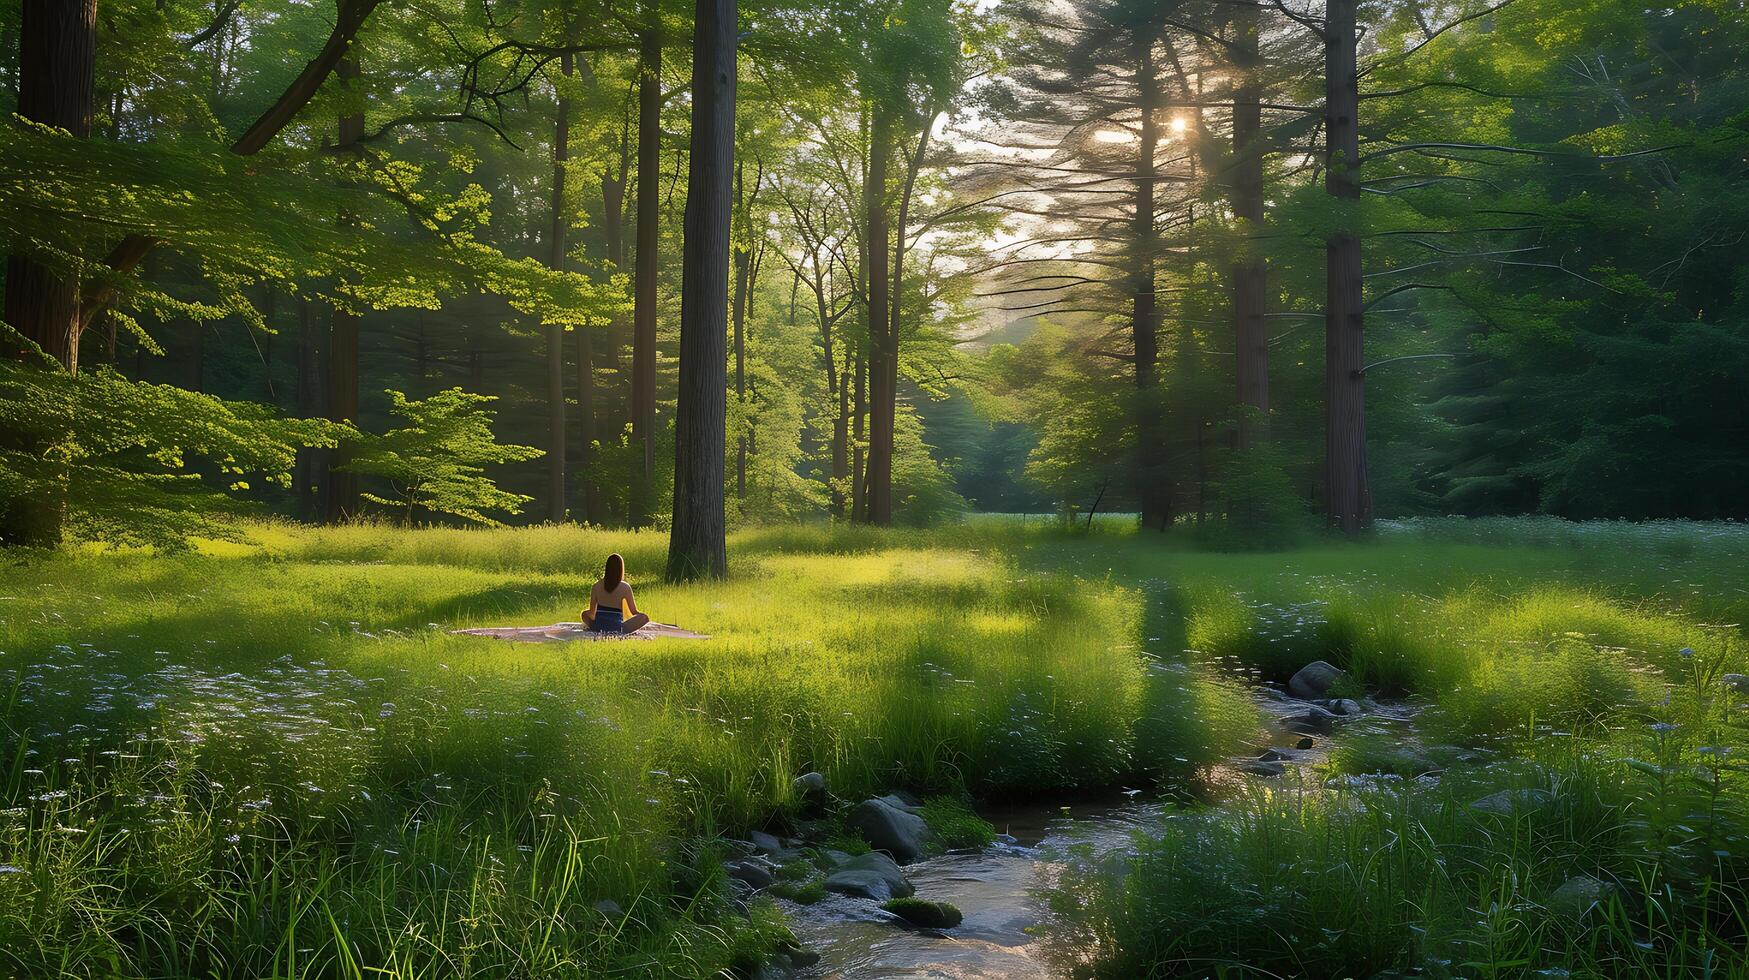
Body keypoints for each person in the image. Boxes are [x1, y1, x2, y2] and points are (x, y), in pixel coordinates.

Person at [582, 553, 651, 634]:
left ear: (607, 568)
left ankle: (597, 628)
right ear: (621, 569)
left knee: (584, 614)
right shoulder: (625, 587)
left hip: (599, 626)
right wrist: (641, 616)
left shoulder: (596, 586)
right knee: (644, 618)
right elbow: (633, 612)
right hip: (617, 627)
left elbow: (591, 612)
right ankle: (615, 629)